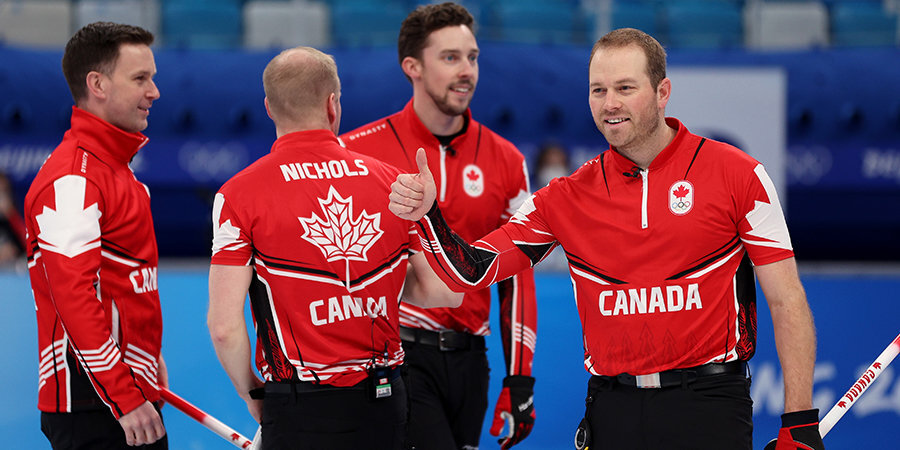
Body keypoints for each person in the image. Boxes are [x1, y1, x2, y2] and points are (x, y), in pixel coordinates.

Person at [389, 28, 823, 450]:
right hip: (612, 408)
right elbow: (472, 272)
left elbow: (787, 299)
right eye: (598, 90)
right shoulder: (564, 196)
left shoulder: (739, 174)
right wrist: (430, 216)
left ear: (662, 91)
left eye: (625, 88)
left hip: (709, 405)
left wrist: (799, 420)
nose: (610, 104)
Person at [207, 46, 462, 450]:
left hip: (297, 408)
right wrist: (426, 223)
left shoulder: (239, 194)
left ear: (269, 108)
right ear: (333, 104)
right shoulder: (393, 182)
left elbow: (224, 329)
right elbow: (445, 291)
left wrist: (253, 394)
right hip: (384, 403)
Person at [338, 3, 538, 449]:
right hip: (393, 359)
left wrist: (519, 378)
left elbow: (517, 277)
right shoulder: (356, 154)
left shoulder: (507, 159)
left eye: (472, 57)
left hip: (471, 361)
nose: (466, 70)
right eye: (450, 58)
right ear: (412, 66)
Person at [23, 22, 167, 448]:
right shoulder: (73, 179)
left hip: (123, 395)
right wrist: (123, 396)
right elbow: (73, 297)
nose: (154, 91)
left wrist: (147, 359)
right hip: (95, 405)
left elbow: (122, 282)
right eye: (140, 78)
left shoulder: (113, 170)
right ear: (97, 84)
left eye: (152, 78)